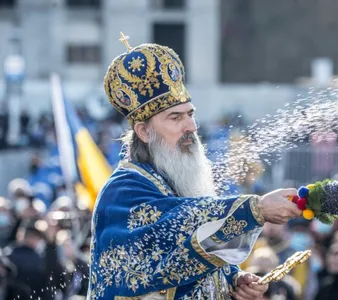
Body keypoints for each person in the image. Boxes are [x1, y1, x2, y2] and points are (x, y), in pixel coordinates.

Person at [87, 34, 302, 299]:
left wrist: (233, 280)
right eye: (175, 118)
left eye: (190, 114)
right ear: (143, 130)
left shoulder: (176, 184)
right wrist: (255, 208)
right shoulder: (123, 191)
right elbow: (176, 225)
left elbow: (189, 256)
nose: (191, 126)